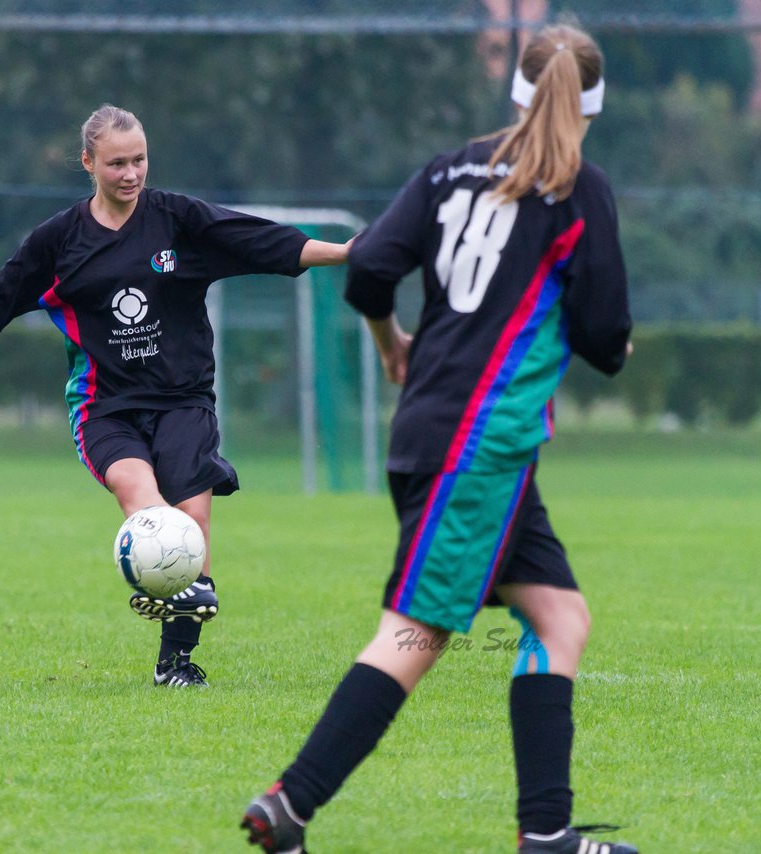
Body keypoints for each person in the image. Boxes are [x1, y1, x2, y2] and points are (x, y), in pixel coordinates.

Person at [241, 24, 637, 854]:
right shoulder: (580, 188)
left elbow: (372, 269)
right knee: (414, 635)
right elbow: (605, 339)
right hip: (477, 449)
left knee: (560, 619)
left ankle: (547, 834)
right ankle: (290, 804)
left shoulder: (450, 167)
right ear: (590, 108)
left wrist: (392, 345)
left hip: (442, 433)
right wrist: (612, 341)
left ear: (518, 94)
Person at [0, 104, 353, 689]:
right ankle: (171, 585)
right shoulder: (61, 240)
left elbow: (259, 241)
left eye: (139, 160)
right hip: (105, 407)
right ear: (88, 163)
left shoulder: (177, 219)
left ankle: (174, 662)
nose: (131, 174)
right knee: (148, 503)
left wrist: (347, 252)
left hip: (184, 399)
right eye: (116, 163)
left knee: (193, 520)